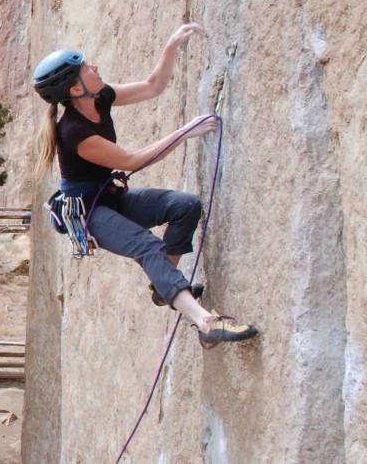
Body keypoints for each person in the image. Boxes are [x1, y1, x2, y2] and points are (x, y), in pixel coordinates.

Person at [33, 24, 258, 348]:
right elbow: (132, 161)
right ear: (76, 88)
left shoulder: (101, 96)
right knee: (148, 246)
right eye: (86, 68)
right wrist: (185, 132)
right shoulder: (74, 132)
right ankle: (205, 323)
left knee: (185, 206)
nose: (94, 67)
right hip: (88, 212)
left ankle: (164, 286)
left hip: (107, 196)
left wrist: (172, 45)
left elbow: (153, 86)